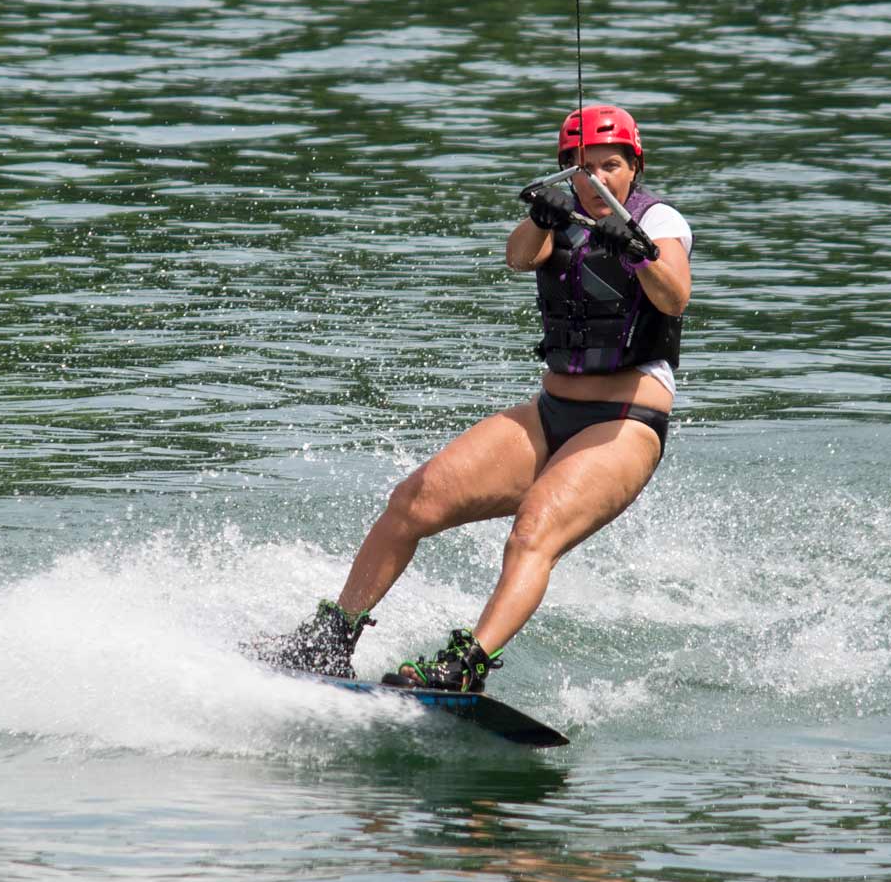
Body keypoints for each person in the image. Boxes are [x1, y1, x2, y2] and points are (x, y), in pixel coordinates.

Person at [249, 104, 692, 691]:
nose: (598, 179)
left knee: (534, 531)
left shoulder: (660, 221)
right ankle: (332, 640)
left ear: (634, 166)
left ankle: (466, 666)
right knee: (413, 501)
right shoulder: (559, 214)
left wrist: (637, 251)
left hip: (625, 422)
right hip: (550, 412)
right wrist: (542, 218)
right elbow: (519, 257)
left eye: (611, 165)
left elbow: (675, 298)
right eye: (583, 168)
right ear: (566, 170)